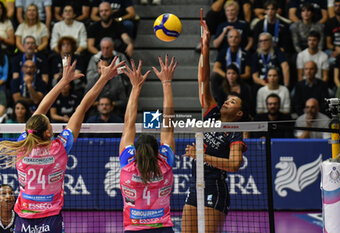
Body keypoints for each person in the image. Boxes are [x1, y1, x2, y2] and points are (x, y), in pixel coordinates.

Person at [0, 56, 125, 232]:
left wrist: (63, 81)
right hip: (50, 219)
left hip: (23, 220)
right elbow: (82, 106)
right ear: (47, 133)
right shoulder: (59, 147)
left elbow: (41, 109)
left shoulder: (23, 144)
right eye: (50, 124)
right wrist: (104, 78)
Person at [181, 21, 247, 233]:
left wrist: (201, 155)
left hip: (215, 188)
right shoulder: (212, 113)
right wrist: (206, 46)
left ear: (239, 114)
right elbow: (203, 80)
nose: (227, 101)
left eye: (233, 102)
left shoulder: (235, 133)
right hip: (195, 184)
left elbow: (235, 164)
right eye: (228, 99)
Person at [119, 55, 177, 232]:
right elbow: (168, 123)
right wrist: (166, 83)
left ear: (135, 151)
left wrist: (136, 87)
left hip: (133, 228)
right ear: (158, 150)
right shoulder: (165, 162)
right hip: (163, 228)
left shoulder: (128, 164)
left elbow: (129, 122)